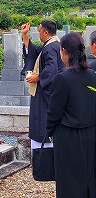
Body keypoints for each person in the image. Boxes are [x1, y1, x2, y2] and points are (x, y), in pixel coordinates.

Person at [47, 32, 96, 197]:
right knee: (89, 174)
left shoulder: (63, 79)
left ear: (64, 51)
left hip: (68, 136)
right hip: (91, 132)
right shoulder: (92, 76)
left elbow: (54, 113)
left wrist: (50, 132)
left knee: (69, 179)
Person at [20, 20, 64, 151]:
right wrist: (25, 35)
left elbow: (51, 68)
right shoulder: (54, 44)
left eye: (39, 31)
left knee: (41, 121)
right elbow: (34, 50)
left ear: (45, 32)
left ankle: (42, 154)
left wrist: (37, 77)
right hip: (50, 91)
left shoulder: (50, 47)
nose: (38, 33)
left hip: (46, 93)